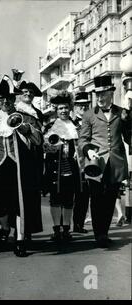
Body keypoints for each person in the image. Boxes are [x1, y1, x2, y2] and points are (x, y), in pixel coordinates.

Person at [0, 75, 42, 257]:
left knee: (20, 204)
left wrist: (26, 129)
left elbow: (38, 140)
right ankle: (5, 227)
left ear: (14, 98)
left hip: (20, 168)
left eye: (9, 97)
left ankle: (20, 240)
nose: (6, 101)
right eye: (2, 98)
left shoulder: (26, 118)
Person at [79, 75, 131, 248]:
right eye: (97, 95)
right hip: (95, 164)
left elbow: (128, 138)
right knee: (96, 199)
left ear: (111, 93)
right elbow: (83, 140)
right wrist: (89, 151)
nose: (99, 98)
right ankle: (98, 235)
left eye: (103, 94)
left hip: (115, 163)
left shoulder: (121, 113)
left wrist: (129, 119)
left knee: (110, 199)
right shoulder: (88, 115)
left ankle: (104, 233)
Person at [43, 92, 82, 243]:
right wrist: (52, 146)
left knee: (68, 200)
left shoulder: (76, 126)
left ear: (69, 108)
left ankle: (66, 229)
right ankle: (56, 229)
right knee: (55, 200)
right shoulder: (50, 127)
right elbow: (45, 149)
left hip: (71, 168)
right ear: (56, 111)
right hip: (56, 169)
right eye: (60, 108)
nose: (64, 111)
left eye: (66, 107)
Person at [14, 80, 44, 240]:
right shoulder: (15, 110)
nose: (28, 94)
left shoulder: (38, 113)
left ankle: (28, 231)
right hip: (19, 155)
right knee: (19, 195)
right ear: (19, 94)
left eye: (31, 92)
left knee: (32, 195)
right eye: (25, 91)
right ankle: (18, 231)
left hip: (35, 157)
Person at [71, 91, 91, 233]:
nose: (83, 108)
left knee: (83, 195)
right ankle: (64, 226)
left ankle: (79, 224)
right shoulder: (69, 123)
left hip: (86, 162)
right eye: (80, 106)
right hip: (70, 162)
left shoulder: (91, 122)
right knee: (67, 196)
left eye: (85, 105)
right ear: (75, 107)